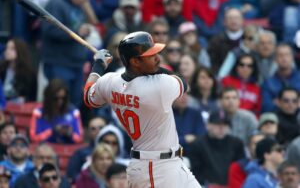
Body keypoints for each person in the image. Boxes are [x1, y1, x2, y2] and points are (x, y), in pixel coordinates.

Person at [83, 31, 201, 187]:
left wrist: (99, 64)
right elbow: (184, 84)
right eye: (150, 56)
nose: (157, 58)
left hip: (169, 164)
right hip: (154, 169)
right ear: (135, 62)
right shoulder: (159, 85)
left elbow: (88, 97)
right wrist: (157, 68)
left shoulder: (109, 81)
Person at [41, 0, 93, 107]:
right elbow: (49, 30)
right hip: (59, 63)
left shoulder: (78, 6)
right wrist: (77, 32)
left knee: (74, 102)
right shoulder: (56, 4)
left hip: (76, 63)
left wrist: (84, 31)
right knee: (60, 103)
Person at [188, 109, 245, 187]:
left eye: (225, 124)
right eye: (218, 124)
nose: (222, 128)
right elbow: (195, 171)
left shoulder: (237, 143)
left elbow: (240, 169)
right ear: (208, 125)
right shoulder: (197, 145)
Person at [30, 78, 84, 144]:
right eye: (56, 98)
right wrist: (52, 132)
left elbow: (80, 138)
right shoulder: (38, 113)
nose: (60, 101)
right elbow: (33, 138)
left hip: (68, 151)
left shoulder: (74, 112)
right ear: (49, 97)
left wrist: (70, 134)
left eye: (63, 98)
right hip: (45, 150)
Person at [66, 116, 107, 182]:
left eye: (101, 127)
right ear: (89, 132)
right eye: (93, 129)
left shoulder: (117, 148)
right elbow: (71, 174)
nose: (98, 131)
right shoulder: (80, 153)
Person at [262, 43, 300, 112]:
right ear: (275, 59)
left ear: (292, 57)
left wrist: (280, 102)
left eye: (287, 55)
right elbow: (267, 106)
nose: (284, 58)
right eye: (280, 55)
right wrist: (295, 102)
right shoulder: (268, 83)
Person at [0, 38, 37, 103]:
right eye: (7, 48)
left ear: (20, 51)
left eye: (12, 49)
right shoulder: (1, 69)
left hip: (19, 109)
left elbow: (31, 98)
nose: (7, 51)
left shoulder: (29, 74)